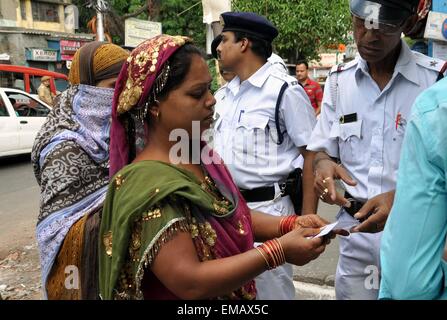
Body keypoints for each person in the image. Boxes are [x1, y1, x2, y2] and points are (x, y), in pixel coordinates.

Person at [100, 35, 338, 300]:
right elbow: (190, 281)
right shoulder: (146, 184)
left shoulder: (199, 155)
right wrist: (278, 251)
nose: (212, 100)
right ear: (155, 107)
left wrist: (289, 223)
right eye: (196, 93)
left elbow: (230, 214)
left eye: (209, 89)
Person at [307, 0, 446, 300]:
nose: (370, 36)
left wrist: (400, 200)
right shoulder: (338, 83)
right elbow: (321, 152)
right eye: (362, 23)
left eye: (383, 26)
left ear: (407, 25)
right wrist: (323, 166)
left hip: (418, 240)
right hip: (355, 237)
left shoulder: (435, 82)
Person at [214, 12, 318, 300]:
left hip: (272, 213)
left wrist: (308, 217)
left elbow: (312, 154)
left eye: (224, 40)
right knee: (230, 295)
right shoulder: (223, 96)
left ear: (244, 43)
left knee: (269, 294)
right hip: (228, 214)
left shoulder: (284, 91)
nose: (218, 48)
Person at [31, 41, 129, 299]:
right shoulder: (63, 147)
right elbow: (58, 231)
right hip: (83, 277)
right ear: (85, 86)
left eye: (124, 86)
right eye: (112, 87)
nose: (120, 95)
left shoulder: (124, 132)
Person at [378, 77, 447, 300]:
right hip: (357, 226)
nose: (371, 39)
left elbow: (410, 282)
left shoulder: (435, 104)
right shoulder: (340, 82)